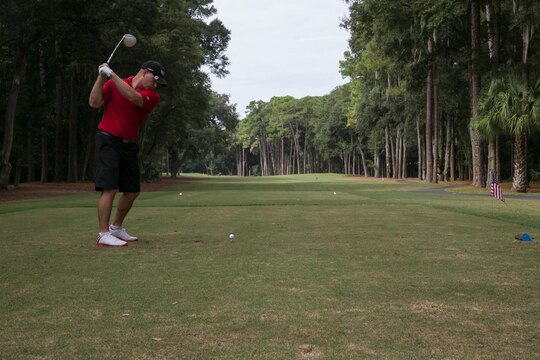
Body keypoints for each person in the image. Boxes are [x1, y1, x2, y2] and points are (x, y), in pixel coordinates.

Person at [88, 60, 167, 247]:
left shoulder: (151, 96)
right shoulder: (112, 83)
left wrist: (111, 74)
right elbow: (94, 102)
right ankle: (103, 233)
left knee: (132, 190)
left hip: (128, 145)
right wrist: (101, 77)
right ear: (145, 72)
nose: (156, 86)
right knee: (110, 187)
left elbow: (133, 98)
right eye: (155, 80)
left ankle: (116, 228)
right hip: (107, 140)